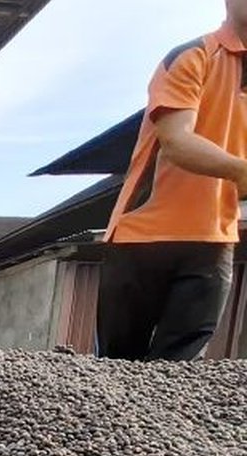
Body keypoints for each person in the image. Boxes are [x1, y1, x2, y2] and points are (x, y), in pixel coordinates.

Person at [96, 0, 247, 361]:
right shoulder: (194, 56)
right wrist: (242, 172)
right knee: (117, 369)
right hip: (144, 234)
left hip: (213, 242)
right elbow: (177, 142)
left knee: (176, 378)